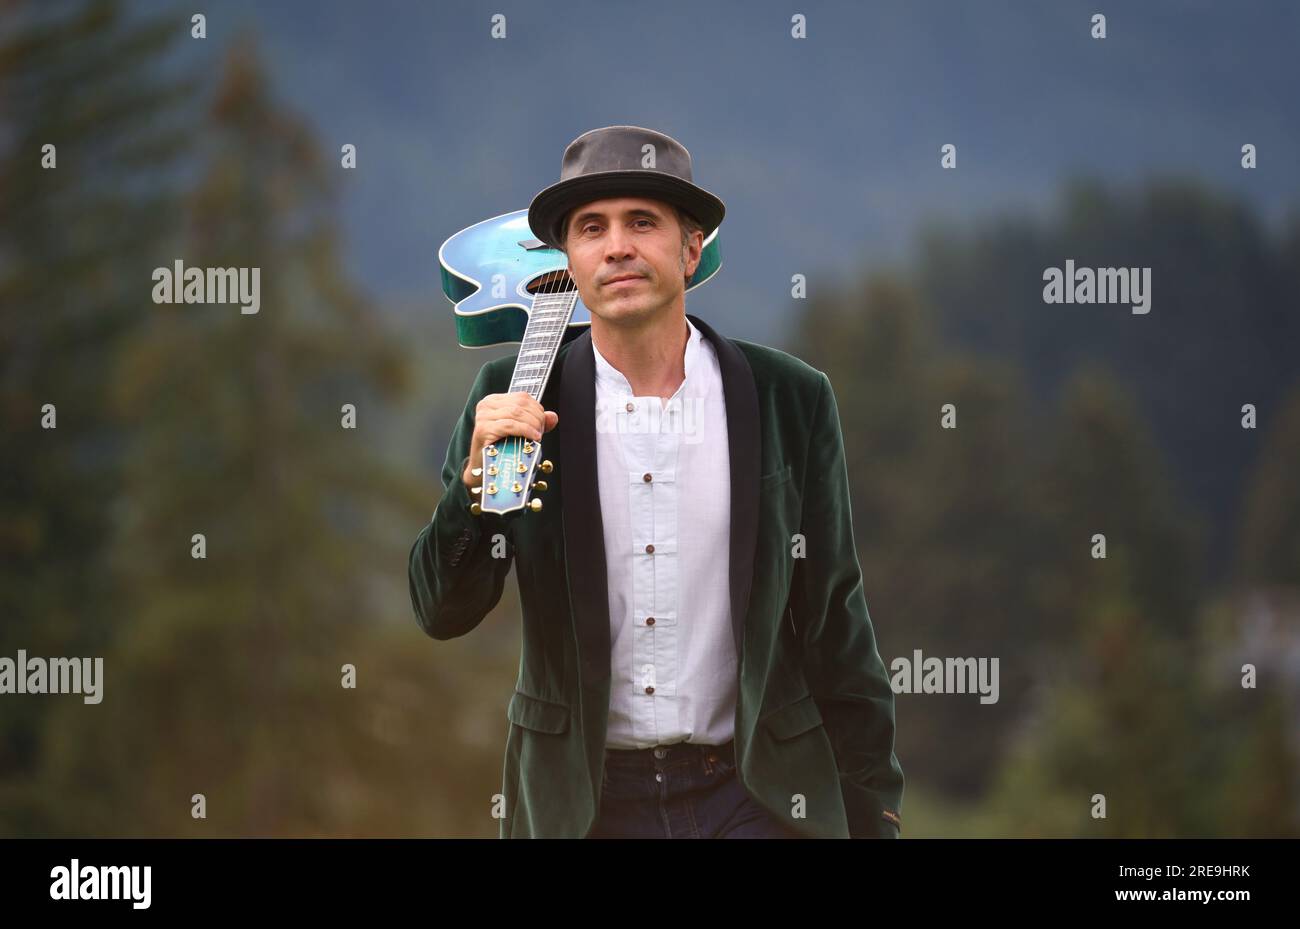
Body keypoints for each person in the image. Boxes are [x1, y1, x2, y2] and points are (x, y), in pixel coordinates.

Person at [409, 125, 903, 838]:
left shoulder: (789, 397)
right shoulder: (511, 397)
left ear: (691, 249)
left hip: (756, 793)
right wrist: (473, 500)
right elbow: (440, 610)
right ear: (568, 260)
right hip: (586, 803)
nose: (617, 246)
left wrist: (875, 805)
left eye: (642, 222)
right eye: (591, 228)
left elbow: (835, 617)